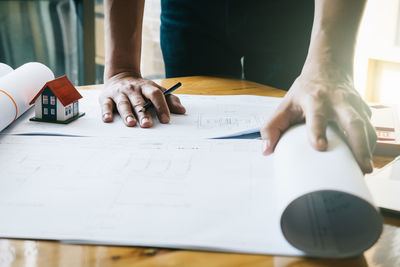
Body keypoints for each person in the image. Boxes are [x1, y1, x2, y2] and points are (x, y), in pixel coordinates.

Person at [100, 0, 376, 173]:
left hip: (289, 10)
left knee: (299, 131)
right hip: (190, 7)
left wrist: (329, 66)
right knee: (189, 129)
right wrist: (121, 68)